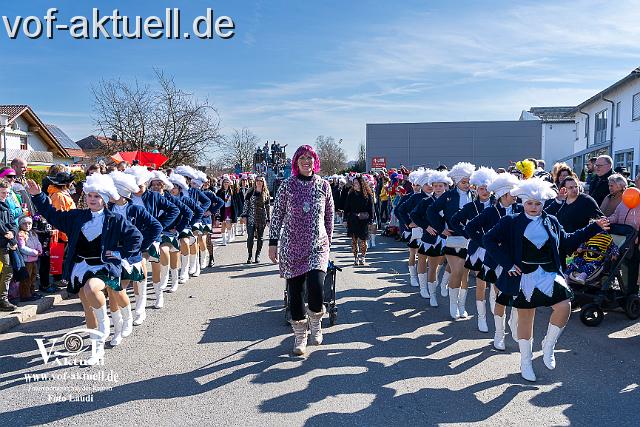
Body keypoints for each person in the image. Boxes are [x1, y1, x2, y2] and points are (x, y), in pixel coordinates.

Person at [483, 177, 609, 382]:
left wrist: (594, 228)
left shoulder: (551, 220)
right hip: (523, 276)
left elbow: (567, 242)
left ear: (543, 203)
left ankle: (548, 345)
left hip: (549, 273)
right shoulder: (511, 221)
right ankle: (526, 361)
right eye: (530, 203)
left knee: (564, 306)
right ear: (522, 201)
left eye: (538, 203)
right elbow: (489, 239)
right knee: (526, 317)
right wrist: (507, 264)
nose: (534, 207)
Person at [27, 175, 142, 365]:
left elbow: (135, 237)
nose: (92, 199)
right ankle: (97, 350)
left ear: (104, 199)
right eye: (90, 195)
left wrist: (120, 254)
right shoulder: (77, 216)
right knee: (88, 309)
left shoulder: (115, 219)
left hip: (103, 266)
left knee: (92, 288)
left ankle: (110, 326)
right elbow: (53, 214)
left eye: (97, 196)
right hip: (80, 266)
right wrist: (38, 195)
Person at [269, 145, 335, 356]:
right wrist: (273, 243)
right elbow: (277, 215)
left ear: (315, 161)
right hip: (292, 245)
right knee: (295, 294)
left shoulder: (324, 185)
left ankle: (315, 321)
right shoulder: (287, 186)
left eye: (310, 158)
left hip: (317, 245)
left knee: (316, 287)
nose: (306, 161)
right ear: (296, 162)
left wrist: (328, 242)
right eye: (302, 158)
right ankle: (300, 335)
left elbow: (329, 217)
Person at [466, 172, 522, 350]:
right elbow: (470, 227)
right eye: (513, 192)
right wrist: (485, 241)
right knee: (498, 294)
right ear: (505, 194)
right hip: (494, 258)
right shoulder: (491, 210)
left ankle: (513, 322)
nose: (516, 195)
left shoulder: (521, 209)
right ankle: (497, 331)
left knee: (515, 294)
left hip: (515, 260)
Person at [109, 171, 162, 337]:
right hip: (114, 254)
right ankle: (120, 319)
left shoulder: (136, 209)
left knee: (139, 281)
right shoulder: (106, 209)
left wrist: (143, 245)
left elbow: (157, 227)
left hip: (133, 253)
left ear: (121, 193)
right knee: (115, 287)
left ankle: (140, 311)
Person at [427, 162, 476, 319]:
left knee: (465, 275)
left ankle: (462, 306)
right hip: (452, 238)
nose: (467, 185)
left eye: (469, 181)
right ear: (456, 181)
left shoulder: (474, 195)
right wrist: (441, 229)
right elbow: (431, 211)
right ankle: (453, 304)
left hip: (470, 239)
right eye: (464, 182)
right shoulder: (449, 196)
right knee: (457, 271)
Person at [451, 167, 497, 332]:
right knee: (480, 284)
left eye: (487, 188)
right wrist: (467, 234)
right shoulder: (471, 206)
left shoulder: (497, 205)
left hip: (495, 250)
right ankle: (481, 318)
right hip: (477, 249)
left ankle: (495, 311)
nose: (484, 191)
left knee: (496, 285)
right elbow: (455, 221)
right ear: (475, 188)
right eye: (481, 188)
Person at [410, 170, 451, 306]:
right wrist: (426, 226)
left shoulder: (451, 200)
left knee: (444, 264)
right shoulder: (426, 201)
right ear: (432, 186)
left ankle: (439, 283)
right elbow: (415, 215)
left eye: (441, 186)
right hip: (429, 237)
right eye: (435, 186)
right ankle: (427, 290)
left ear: (446, 186)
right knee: (427, 263)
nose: (438, 188)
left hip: (447, 238)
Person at [394, 169, 430, 290]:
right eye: (414, 185)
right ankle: (413, 276)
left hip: (425, 230)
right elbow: (398, 210)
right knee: (413, 253)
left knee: (423, 255)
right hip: (413, 231)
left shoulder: (428, 196)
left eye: (418, 185)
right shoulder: (408, 197)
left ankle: (422, 278)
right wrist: (407, 223)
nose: (415, 187)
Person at [344, 175, 375, 266]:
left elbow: (371, 209)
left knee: (363, 240)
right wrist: (345, 219)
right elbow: (346, 208)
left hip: (363, 220)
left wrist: (371, 221)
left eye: (357, 183)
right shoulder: (351, 194)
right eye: (354, 183)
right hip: (353, 220)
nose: (355, 185)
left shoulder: (368, 195)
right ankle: (355, 258)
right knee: (354, 240)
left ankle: (363, 257)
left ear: (361, 184)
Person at [240, 175, 271, 264]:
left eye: (260, 181)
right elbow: (246, 204)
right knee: (250, 237)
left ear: (263, 182)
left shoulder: (266, 193)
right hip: (251, 217)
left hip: (261, 218)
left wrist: (268, 219)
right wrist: (244, 215)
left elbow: (267, 207)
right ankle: (250, 255)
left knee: (260, 238)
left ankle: (257, 255)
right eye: (257, 180)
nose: (258, 182)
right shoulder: (250, 191)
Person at [0, 180, 19, 311]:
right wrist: (8, 234)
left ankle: (3, 299)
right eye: (2, 192)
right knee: (7, 269)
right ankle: (2, 300)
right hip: (2, 241)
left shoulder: (6, 204)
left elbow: (13, 222)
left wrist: (13, 232)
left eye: (7, 193)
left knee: (8, 270)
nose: (5, 195)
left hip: (6, 242)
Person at [17, 216, 42, 302]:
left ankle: (32, 292)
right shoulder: (21, 234)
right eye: (25, 223)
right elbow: (22, 248)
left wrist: (39, 249)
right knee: (26, 278)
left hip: (34, 260)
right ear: (21, 225)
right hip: (26, 261)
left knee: (33, 276)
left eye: (29, 223)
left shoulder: (33, 233)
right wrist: (34, 252)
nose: (27, 225)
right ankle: (25, 295)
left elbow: (38, 242)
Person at [216, 176, 236, 245]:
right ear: (222, 183)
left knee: (228, 224)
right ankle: (224, 239)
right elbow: (216, 201)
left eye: (227, 182)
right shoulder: (219, 191)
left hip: (229, 209)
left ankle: (229, 236)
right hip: (222, 210)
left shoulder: (231, 191)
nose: (226, 183)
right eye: (225, 182)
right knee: (223, 225)